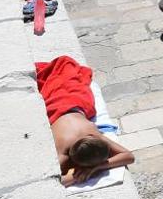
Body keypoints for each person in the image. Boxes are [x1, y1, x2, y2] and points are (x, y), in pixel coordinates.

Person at [34, 55, 135, 186]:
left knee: (65, 78)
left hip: (73, 103)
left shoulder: (92, 137)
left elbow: (129, 157)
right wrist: (86, 172)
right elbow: (50, 182)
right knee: (63, 79)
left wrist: (95, 167)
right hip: (67, 105)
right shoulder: (65, 150)